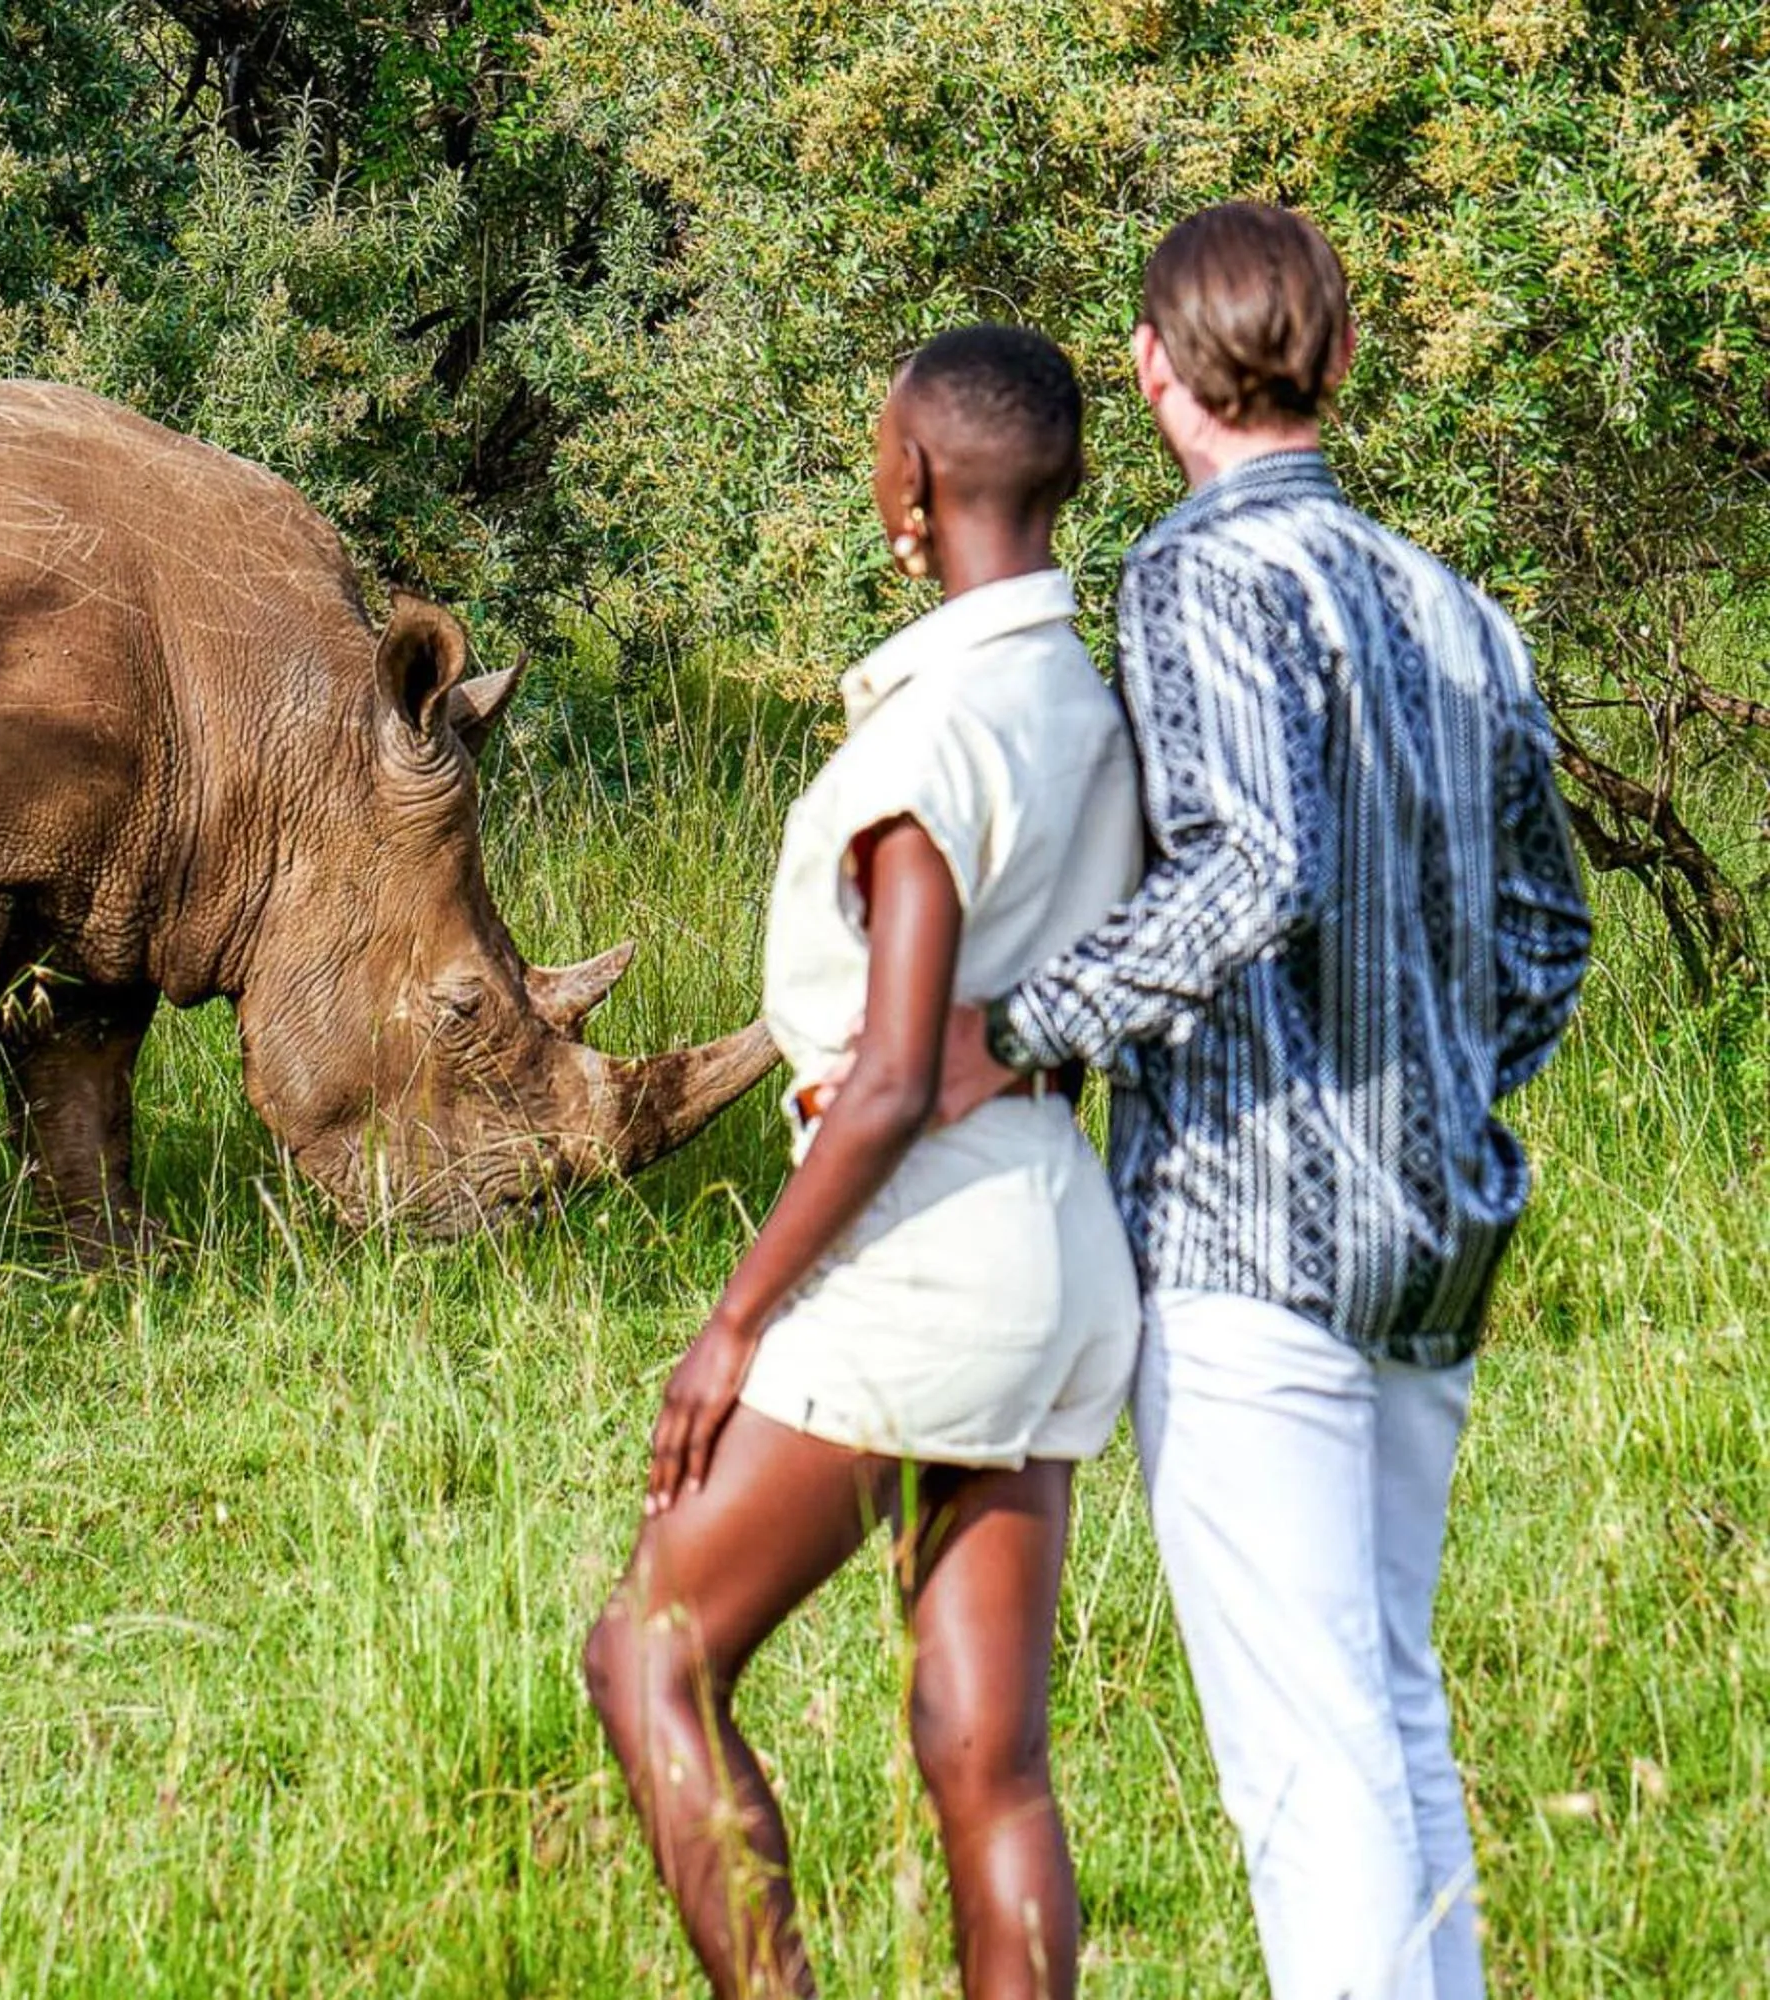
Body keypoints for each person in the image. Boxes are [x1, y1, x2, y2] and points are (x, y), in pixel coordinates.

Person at [927, 204, 1593, 1998]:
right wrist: (1439, 1092)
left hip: (1249, 1244)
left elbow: (1253, 868)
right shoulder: (1459, 607)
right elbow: (1546, 936)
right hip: (1437, 1236)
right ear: (1343, 356)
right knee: (1385, 1709)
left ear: (1152, 372)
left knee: (1310, 1767)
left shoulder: (1192, 579)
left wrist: (1021, 1024)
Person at [583, 324, 1143, 2000]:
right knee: (989, 1756)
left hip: (916, 1251)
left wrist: (736, 1321)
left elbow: (894, 1073)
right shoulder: (1090, 705)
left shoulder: (925, 739)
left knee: (648, 1657)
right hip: (1059, 1243)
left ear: (906, 484)